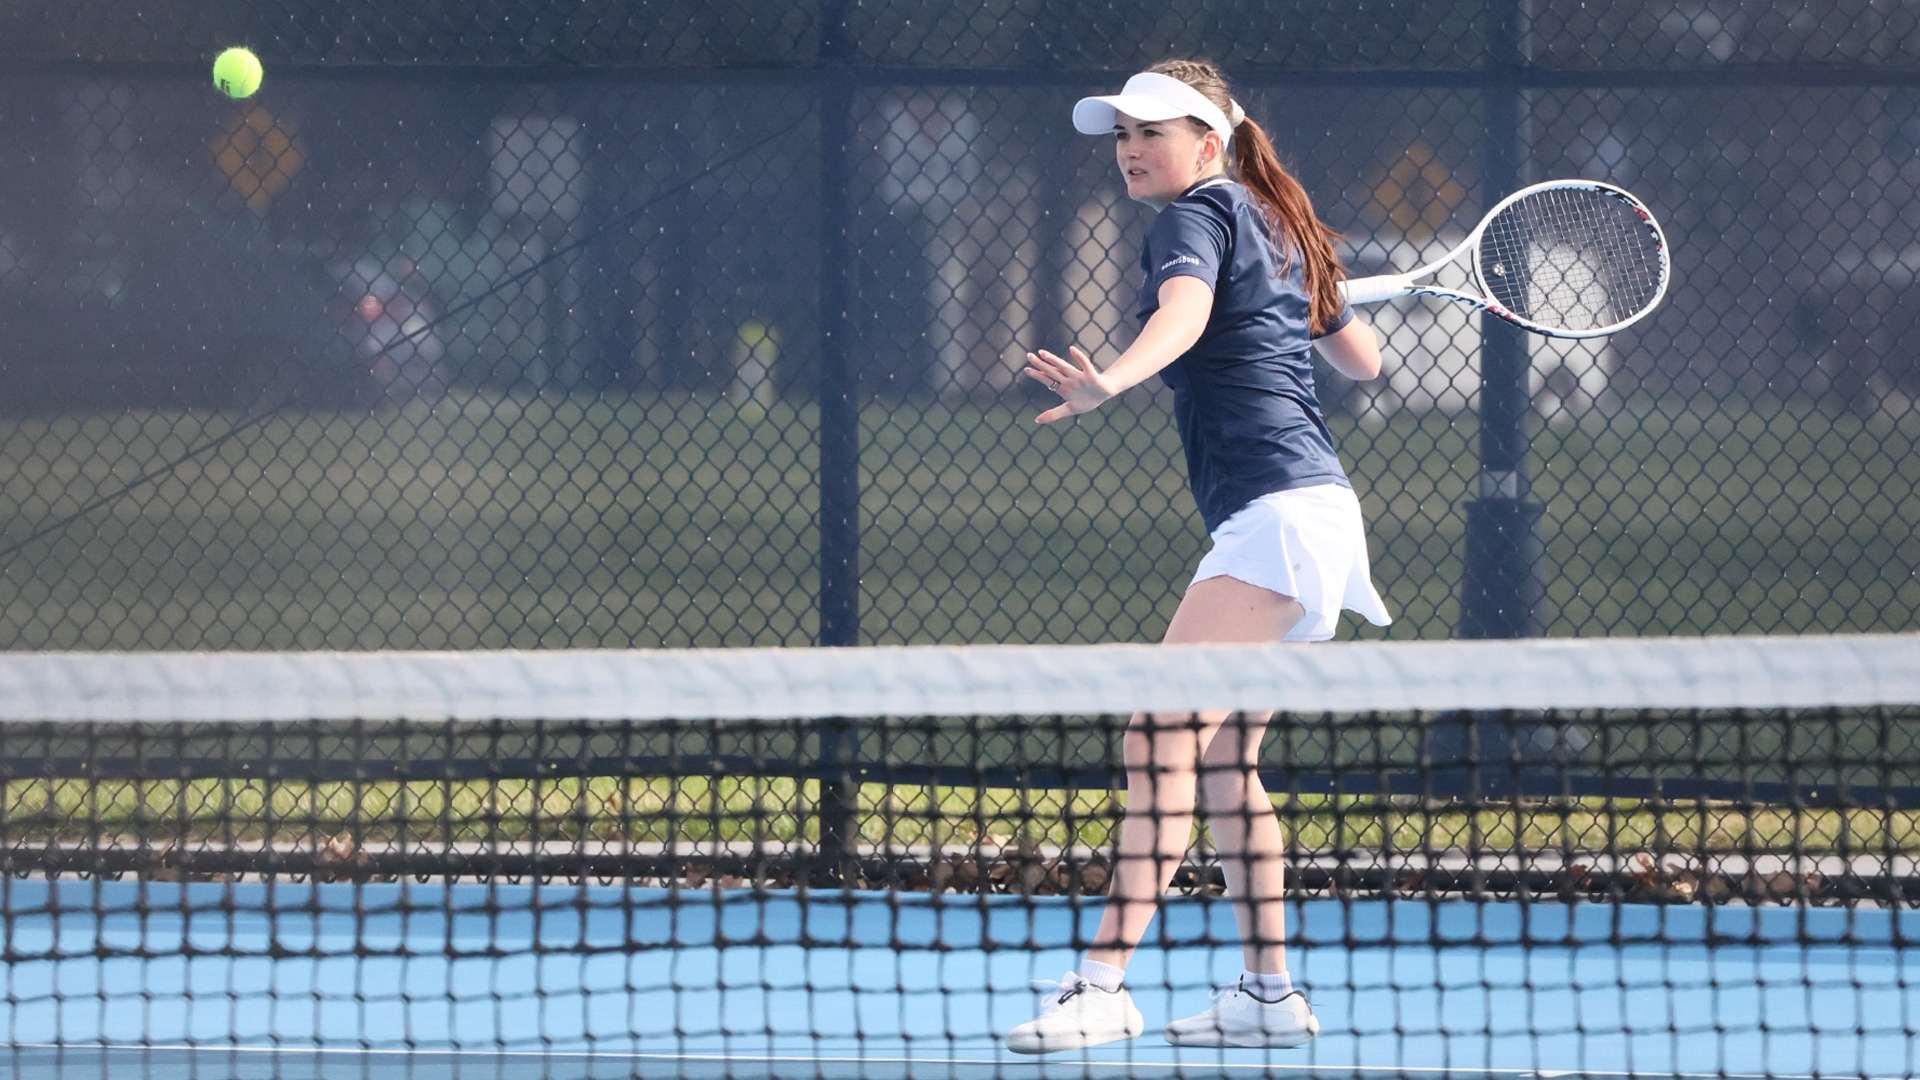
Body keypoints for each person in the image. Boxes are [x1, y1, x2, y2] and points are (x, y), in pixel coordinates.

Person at [1003, 60, 1391, 1054]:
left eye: (1154, 131)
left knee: (1156, 738)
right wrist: (1302, 287)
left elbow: (1180, 316)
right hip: (1311, 516)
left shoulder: (1196, 219)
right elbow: (1365, 359)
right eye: (1121, 133)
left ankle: (1101, 986)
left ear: (1208, 143)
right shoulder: (1275, 224)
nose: (1131, 148)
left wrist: (1115, 381)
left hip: (1277, 520)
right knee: (1224, 762)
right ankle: (1266, 996)